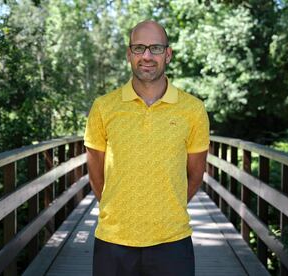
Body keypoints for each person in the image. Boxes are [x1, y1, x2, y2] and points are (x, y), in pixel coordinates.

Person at [84, 20, 210, 276]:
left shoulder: (193, 109)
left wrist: (167, 208)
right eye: (139, 48)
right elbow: (96, 171)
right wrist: (118, 208)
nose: (147, 56)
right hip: (114, 239)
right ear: (129, 54)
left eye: (155, 48)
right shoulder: (103, 107)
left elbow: (195, 174)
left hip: (172, 240)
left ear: (168, 53)